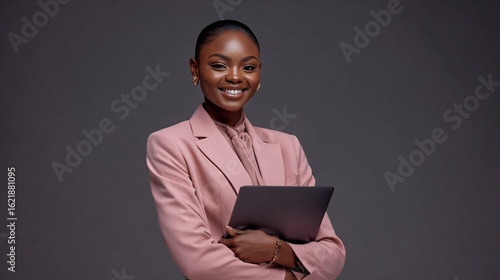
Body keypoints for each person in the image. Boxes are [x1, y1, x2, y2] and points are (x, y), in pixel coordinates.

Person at [147, 19, 346, 280]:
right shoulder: (171, 144)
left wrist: (276, 250)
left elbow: (332, 254)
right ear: (195, 69)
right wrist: (289, 277)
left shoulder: (288, 146)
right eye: (219, 65)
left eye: (248, 67)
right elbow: (197, 262)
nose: (235, 76)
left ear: (259, 73)